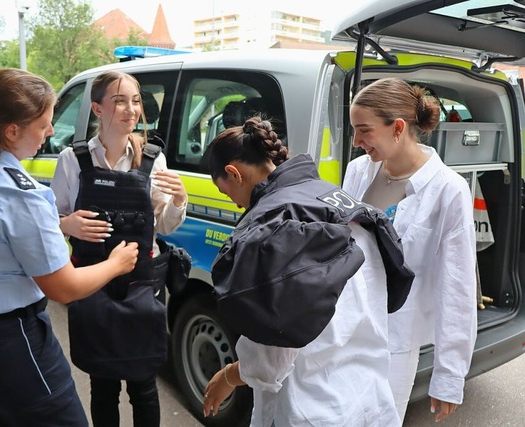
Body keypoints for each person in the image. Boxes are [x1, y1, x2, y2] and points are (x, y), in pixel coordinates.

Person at [0, 68, 139, 427]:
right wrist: (117, 263)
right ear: (12, 131)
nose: (49, 132)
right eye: (44, 124)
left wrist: (59, 224)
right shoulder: (21, 194)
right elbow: (64, 287)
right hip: (8, 341)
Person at [201, 116, 412, 426]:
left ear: (234, 173)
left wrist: (229, 376)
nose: (235, 205)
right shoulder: (339, 199)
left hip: (312, 408)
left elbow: (270, 362)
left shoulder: (272, 231)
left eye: (226, 192)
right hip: (371, 397)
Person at [50, 70, 187, 427]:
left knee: (144, 384)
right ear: (97, 108)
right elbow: (49, 220)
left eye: (136, 101)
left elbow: (163, 226)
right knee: (103, 382)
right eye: (120, 100)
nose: (130, 110)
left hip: (142, 284)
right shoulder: (72, 159)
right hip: (92, 283)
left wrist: (179, 200)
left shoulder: (152, 159)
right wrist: (66, 224)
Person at [342, 77, 477, 423]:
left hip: (395, 341)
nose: (356, 142)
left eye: (364, 130)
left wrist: (449, 375)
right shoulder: (358, 172)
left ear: (398, 128)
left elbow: (457, 284)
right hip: (345, 327)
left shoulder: (448, 189)